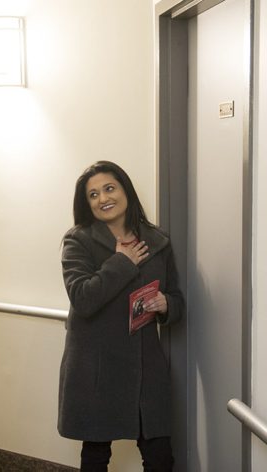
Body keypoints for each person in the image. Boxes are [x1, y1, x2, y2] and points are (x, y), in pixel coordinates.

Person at [58, 161, 184, 472]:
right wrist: (122, 261)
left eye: (109, 188)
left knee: (159, 456)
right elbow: (83, 299)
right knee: (96, 455)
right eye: (93, 194)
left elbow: (178, 299)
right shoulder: (78, 241)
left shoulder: (157, 241)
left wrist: (165, 304)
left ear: (125, 190)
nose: (103, 198)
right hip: (97, 365)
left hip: (145, 364)